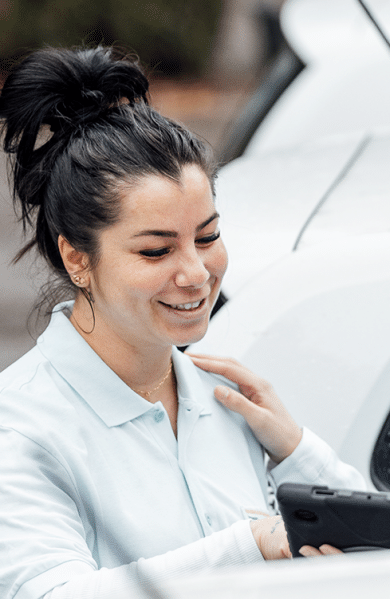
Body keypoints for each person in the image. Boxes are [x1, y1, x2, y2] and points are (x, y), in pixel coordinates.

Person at [0, 47, 363, 599]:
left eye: (208, 237)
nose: (196, 274)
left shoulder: (227, 401)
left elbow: (376, 556)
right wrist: (251, 544)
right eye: (155, 251)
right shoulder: (21, 426)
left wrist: (295, 452)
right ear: (77, 258)